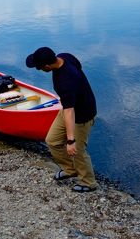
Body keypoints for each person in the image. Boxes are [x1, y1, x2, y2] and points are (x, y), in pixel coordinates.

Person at [26, 47, 98, 192]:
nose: (39, 70)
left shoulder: (66, 81)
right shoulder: (64, 56)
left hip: (82, 114)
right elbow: (68, 107)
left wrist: (71, 141)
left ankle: (88, 182)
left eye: (39, 68)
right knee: (52, 140)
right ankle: (70, 169)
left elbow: (70, 112)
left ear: (46, 66)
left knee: (77, 150)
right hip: (68, 107)